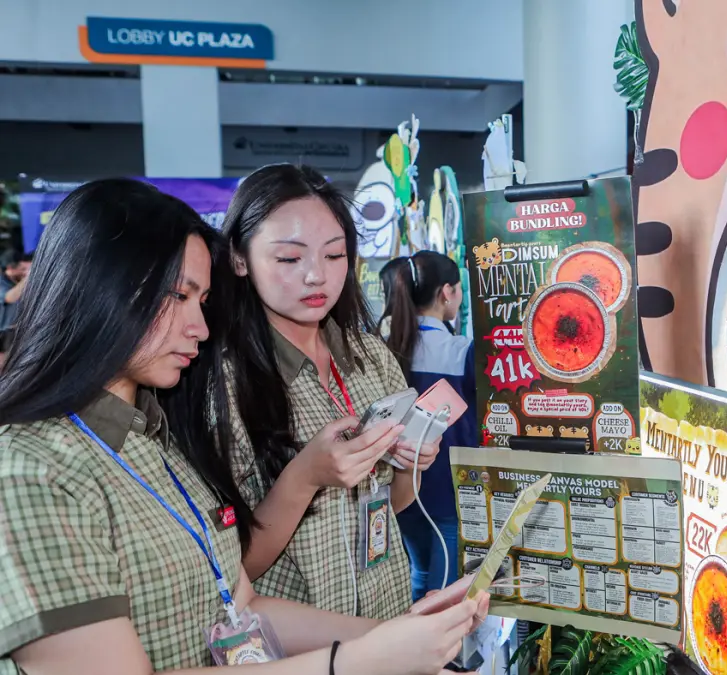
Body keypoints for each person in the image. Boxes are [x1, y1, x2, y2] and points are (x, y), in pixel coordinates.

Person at [0, 179, 484, 674]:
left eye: (335, 254)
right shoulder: (32, 466)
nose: (200, 328)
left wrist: (403, 637)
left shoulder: (151, 432)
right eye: (178, 296)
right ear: (101, 287)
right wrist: (358, 658)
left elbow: (238, 603)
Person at [216, 164, 437, 619]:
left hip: (386, 623)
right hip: (295, 650)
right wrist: (304, 477)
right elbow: (229, 567)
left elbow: (388, 509)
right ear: (239, 258)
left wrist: (407, 467)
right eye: (289, 259)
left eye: (334, 256)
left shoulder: (371, 357)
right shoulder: (221, 384)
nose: (316, 276)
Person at [378, 251, 477, 602]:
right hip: (450, 493)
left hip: (400, 488)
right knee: (445, 596)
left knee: (421, 579)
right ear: (446, 293)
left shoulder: (385, 350)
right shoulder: (462, 352)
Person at [0, 250, 32, 333]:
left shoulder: (16, 279)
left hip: (22, 327)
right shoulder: (1, 282)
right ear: (10, 269)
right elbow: (9, 297)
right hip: (7, 334)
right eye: (22, 269)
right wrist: (29, 276)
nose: (25, 272)